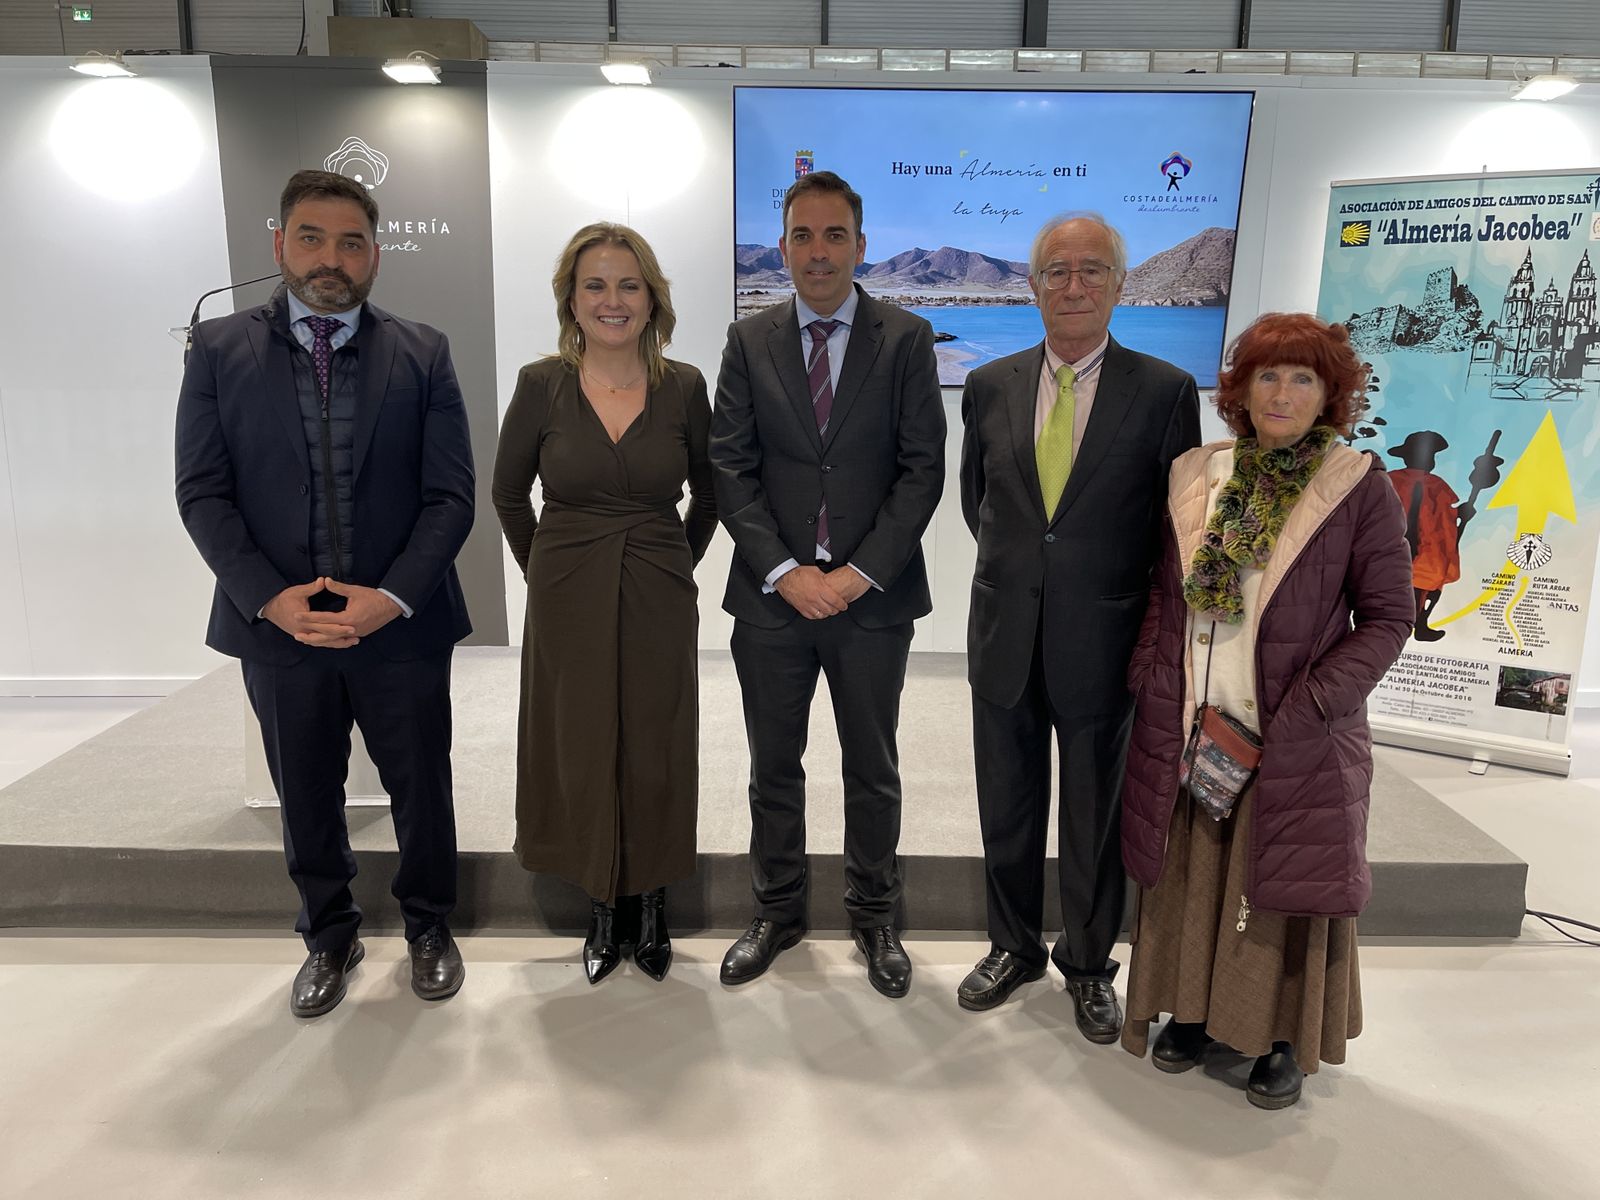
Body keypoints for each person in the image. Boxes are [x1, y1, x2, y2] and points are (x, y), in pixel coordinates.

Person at [176, 169, 474, 1017]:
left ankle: (428, 926)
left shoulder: (423, 351)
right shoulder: (219, 350)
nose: (331, 258)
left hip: (400, 628)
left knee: (423, 786)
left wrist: (394, 598)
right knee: (304, 792)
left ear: (375, 254)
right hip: (279, 629)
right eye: (312, 237)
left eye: (351, 242)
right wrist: (270, 599)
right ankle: (328, 935)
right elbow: (202, 492)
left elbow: (450, 496)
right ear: (279, 244)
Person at [1119, 312, 1413, 1109]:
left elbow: (1389, 618)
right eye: (1267, 375)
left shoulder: (1355, 487)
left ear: (1331, 396)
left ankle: (1281, 1035)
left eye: (1303, 378)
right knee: (1190, 875)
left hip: (1290, 735)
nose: (1282, 393)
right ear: (1241, 390)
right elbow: (1163, 594)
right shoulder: (1197, 475)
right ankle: (1192, 1012)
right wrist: (1153, 673)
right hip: (1195, 725)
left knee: (1281, 884)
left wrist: (1315, 704)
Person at [957, 212, 1200, 1041]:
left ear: (1121, 286)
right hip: (1003, 635)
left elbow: (1172, 529)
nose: (1073, 286)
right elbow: (979, 508)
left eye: (1092, 271)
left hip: (1105, 641)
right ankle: (1012, 947)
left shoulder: (1165, 391)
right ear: (1031, 287)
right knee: (1008, 803)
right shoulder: (989, 387)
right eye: (1056, 271)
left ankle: (1090, 964)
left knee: (1094, 812)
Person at [709, 170, 946, 998]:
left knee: (872, 765)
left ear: (860, 244)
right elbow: (729, 469)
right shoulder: (750, 340)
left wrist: (852, 577)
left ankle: (875, 915)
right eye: (803, 237)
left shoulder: (907, 339)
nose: (818, 252)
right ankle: (776, 911)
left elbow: (921, 474)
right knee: (774, 765)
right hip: (770, 604)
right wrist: (783, 571)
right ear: (783, 248)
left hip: (871, 602)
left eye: (834, 235)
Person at [492, 223, 716, 985]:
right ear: (571, 298)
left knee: (655, 736)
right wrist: (543, 573)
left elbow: (712, 496)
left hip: (658, 579)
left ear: (652, 297)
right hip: (566, 587)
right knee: (579, 738)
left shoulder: (685, 385)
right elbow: (506, 493)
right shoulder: (540, 383)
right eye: (595, 284)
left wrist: (674, 564)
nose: (612, 300)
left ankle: (650, 901)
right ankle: (598, 901)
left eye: (628, 284)